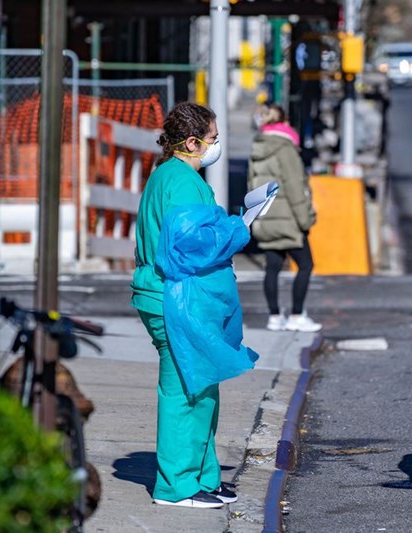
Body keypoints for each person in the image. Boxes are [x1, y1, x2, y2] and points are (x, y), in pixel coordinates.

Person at [131, 102, 258, 509]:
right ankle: (178, 487)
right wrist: (239, 227)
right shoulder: (183, 181)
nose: (216, 145)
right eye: (213, 139)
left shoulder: (167, 176)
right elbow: (189, 248)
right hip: (174, 297)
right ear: (191, 142)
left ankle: (203, 477)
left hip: (169, 294)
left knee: (201, 387)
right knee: (186, 392)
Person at [248, 104, 322, 332]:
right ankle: (297, 315)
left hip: (266, 218)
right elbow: (295, 187)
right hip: (288, 218)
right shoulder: (286, 148)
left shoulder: (257, 148)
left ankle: (274, 316)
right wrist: (305, 219)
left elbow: (252, 185)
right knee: (306, 264)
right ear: (285, 122)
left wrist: (258, 216)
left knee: (272, 266)